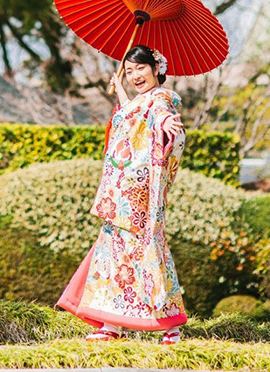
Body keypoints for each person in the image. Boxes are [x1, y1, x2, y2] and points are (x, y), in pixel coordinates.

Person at [57, 44, 188, 344]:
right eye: (129, 71)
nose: (135, 75)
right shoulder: (140, 102)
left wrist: (168, 126)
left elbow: (159, 115)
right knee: (112, 253)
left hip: (142, 196)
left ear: (157, 69)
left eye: (141, 68)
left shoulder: (161, 99)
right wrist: (119, 91)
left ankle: (170, 326)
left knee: (148, 253)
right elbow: (132, 117)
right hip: (121, 194)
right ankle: (111, 323)